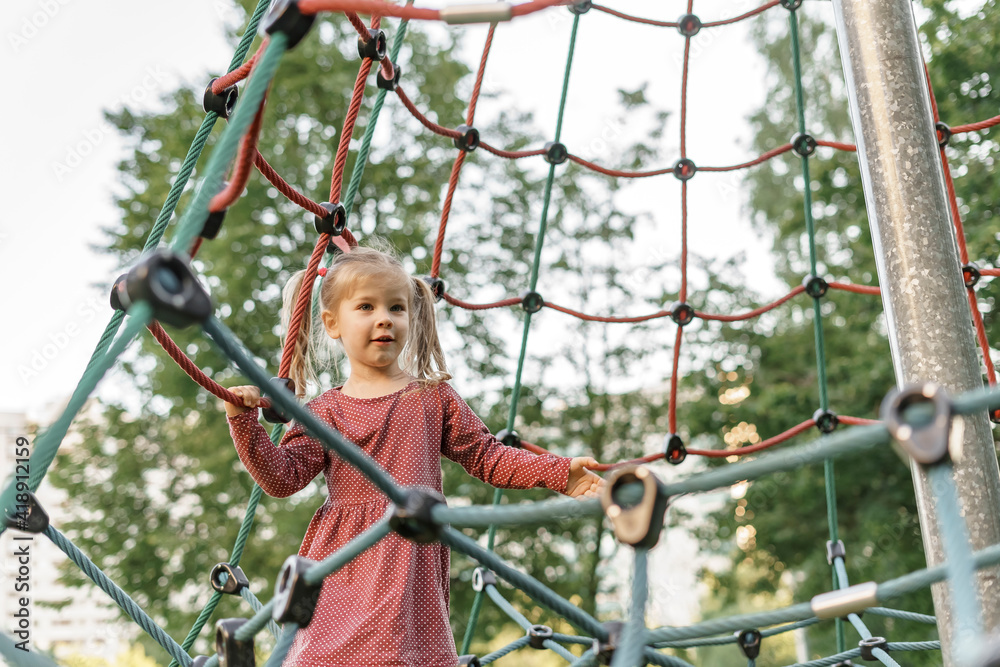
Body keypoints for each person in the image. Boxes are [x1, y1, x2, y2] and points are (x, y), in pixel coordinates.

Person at [223, 240, 605, 667]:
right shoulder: (324, 411)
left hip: (410, 547)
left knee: (406, 655)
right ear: (332, 324)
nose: (384, 318)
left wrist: (558, 472)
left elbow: (487, 455)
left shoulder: (431, 396)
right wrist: (243, 421)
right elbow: (282, 478)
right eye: (365, 307)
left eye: (396, 308)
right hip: (345, 557)